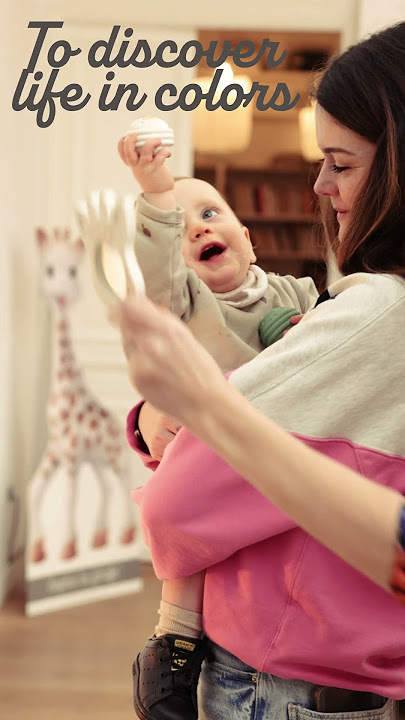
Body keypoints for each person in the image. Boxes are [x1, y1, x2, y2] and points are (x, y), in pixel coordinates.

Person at [119, 20, 405, 720]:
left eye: (340, 164)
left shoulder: (360, 313)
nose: (318, 185)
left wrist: (184, 418)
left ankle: (171, 642)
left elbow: (176, 503)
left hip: (278, 684)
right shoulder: (228, 297)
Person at [117, 129, 318, 718]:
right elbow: (156, 278)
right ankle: (175, 647)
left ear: (249, 238)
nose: (201, 227)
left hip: (277, 456)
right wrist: (156, 193)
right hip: (208, 451)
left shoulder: (297, 292)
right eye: (184, 229)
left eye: (211, 212)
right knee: (190, 547)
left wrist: (302, 326)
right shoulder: (185, 306)